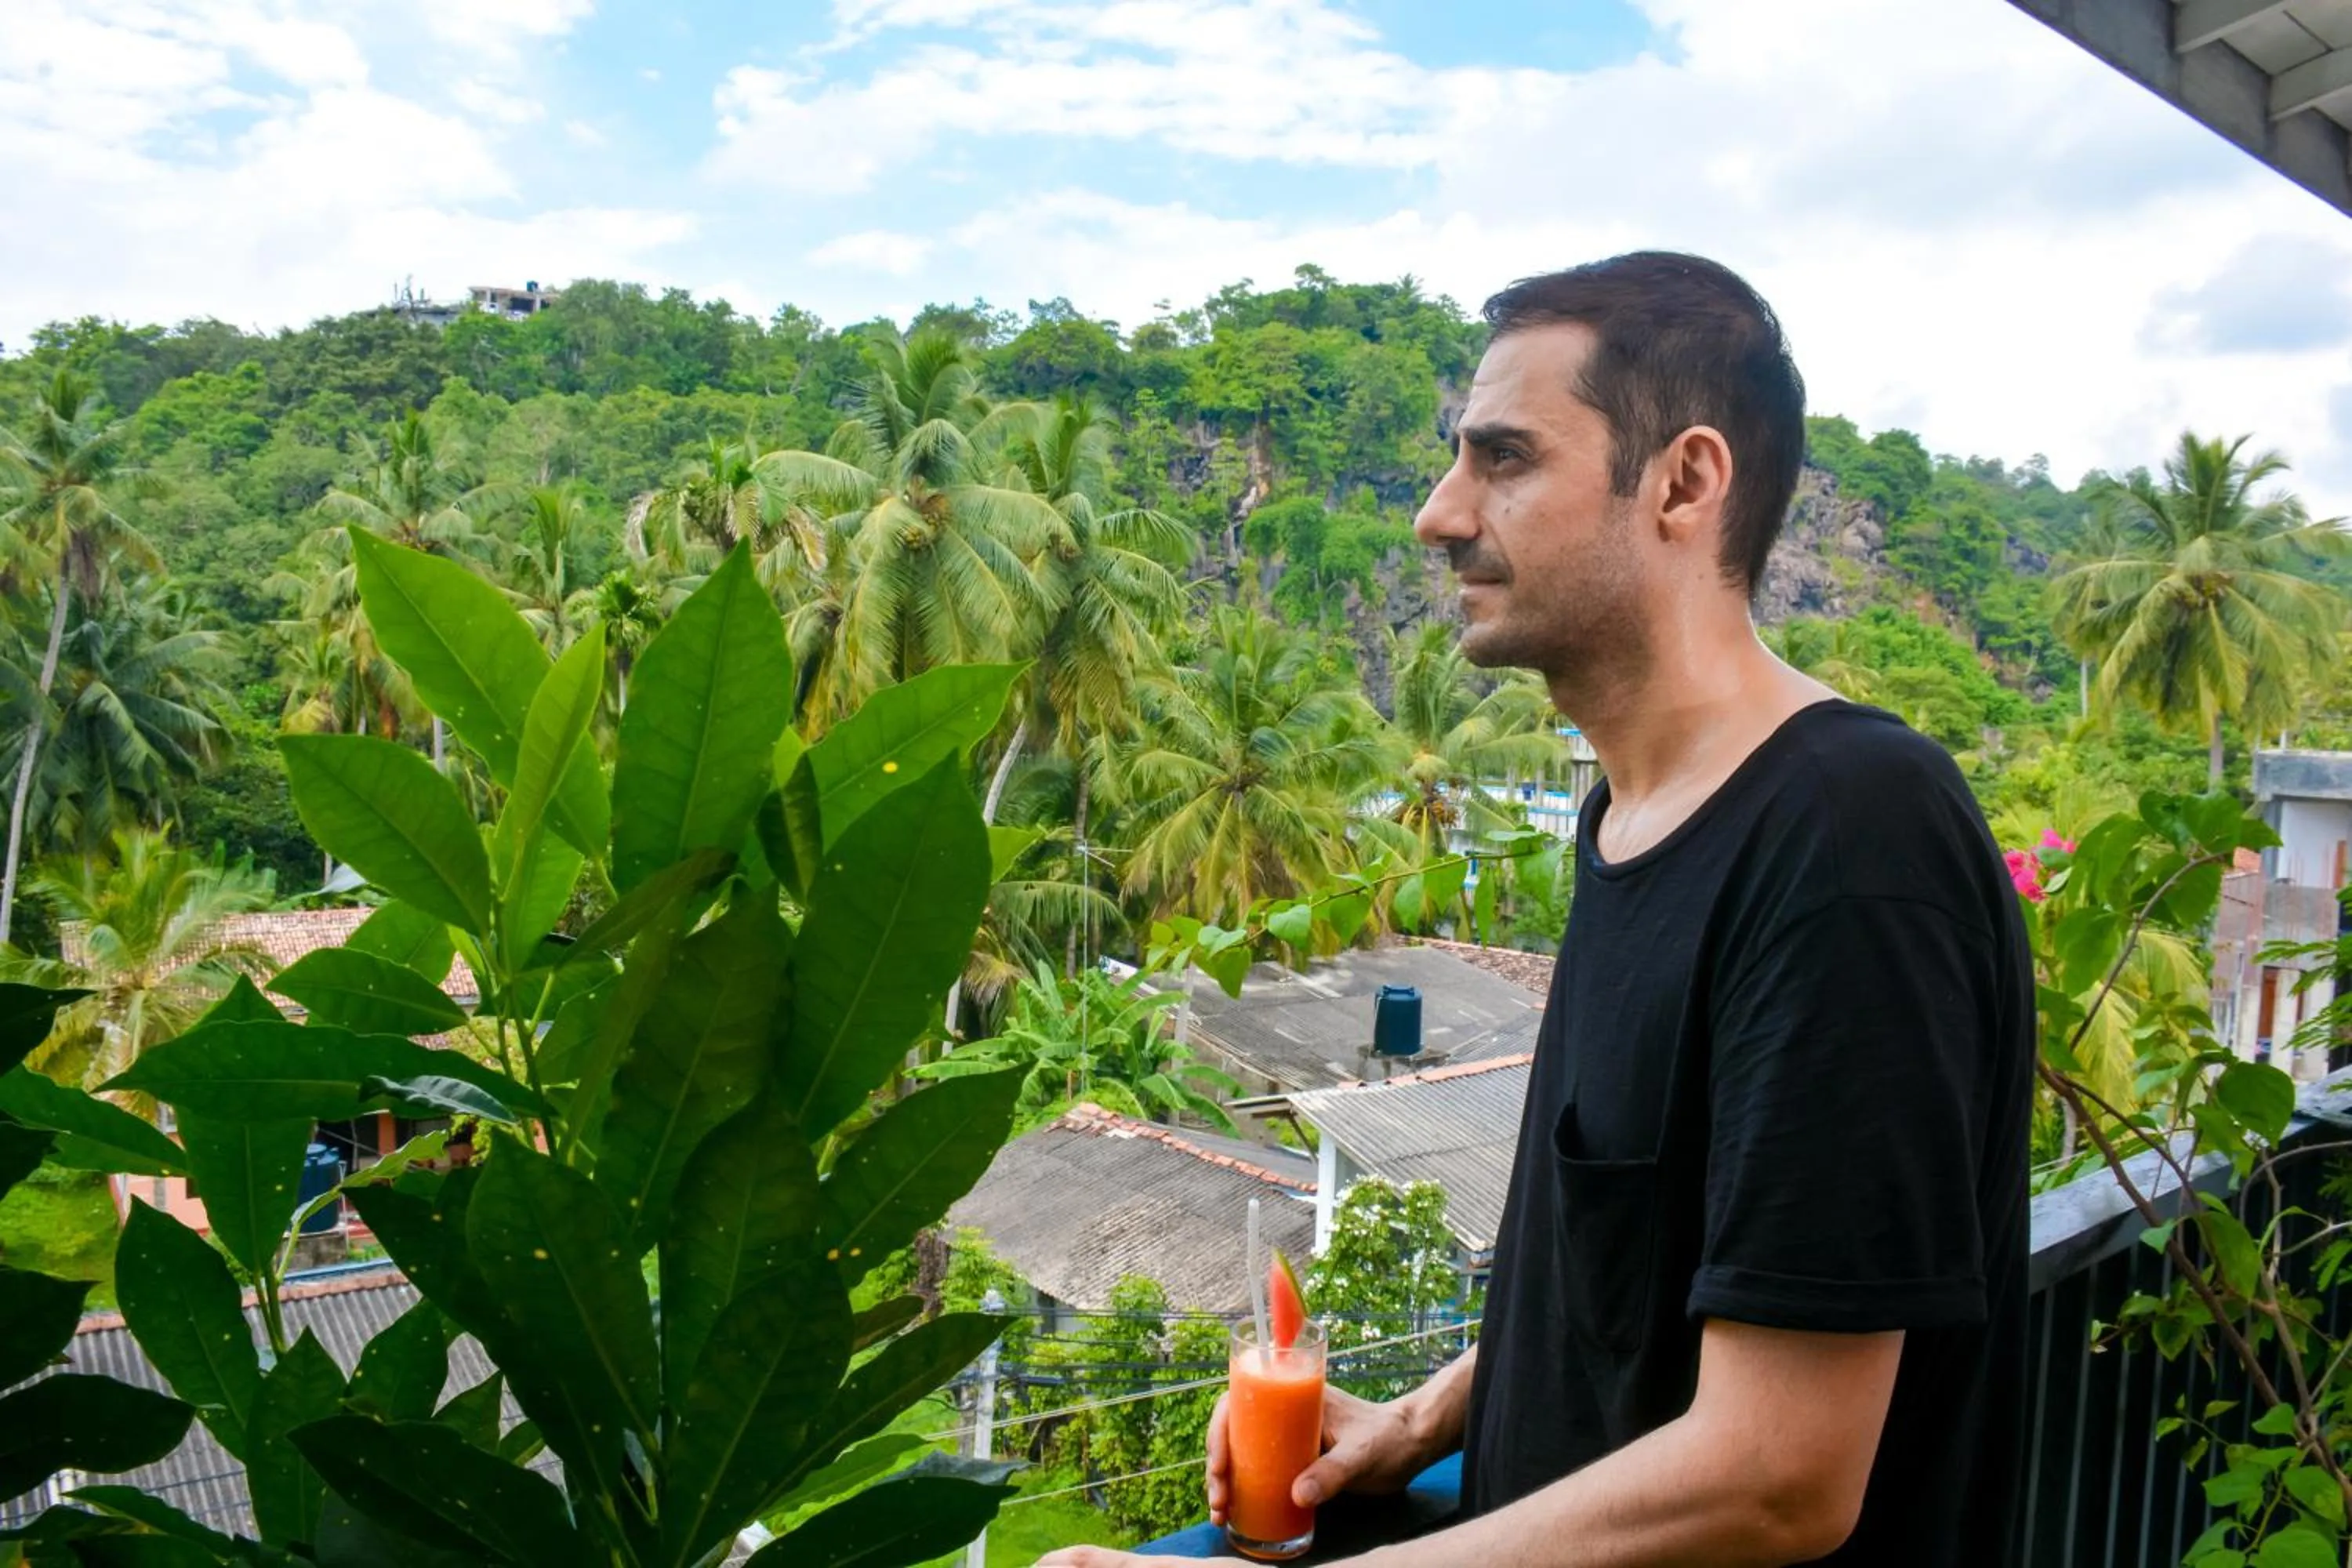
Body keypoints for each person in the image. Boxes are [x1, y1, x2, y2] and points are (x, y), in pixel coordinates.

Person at [1039, 251, 2031, 1567]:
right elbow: (1631, 1280)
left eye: (1504, 460)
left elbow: (1782, 1473)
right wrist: (1420, 1417)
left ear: (1683, 482)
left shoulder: (1851, 840)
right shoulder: (1631, 819)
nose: (1439, 516)